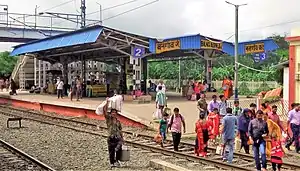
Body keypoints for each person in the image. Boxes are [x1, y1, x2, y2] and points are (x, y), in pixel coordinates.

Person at [103, 98, 123, 168]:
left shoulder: (118, 121)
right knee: (111, 151)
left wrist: (122, 138)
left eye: (115, 112)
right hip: (111, 138)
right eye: (112, 112)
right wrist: (107, 102)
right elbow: (104, 111)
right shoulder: (109, 119)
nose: (114, 113)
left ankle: (117, 161)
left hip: (118, 138)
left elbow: (120, 130)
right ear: (111, 113)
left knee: (119, 149)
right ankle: (112, 162)